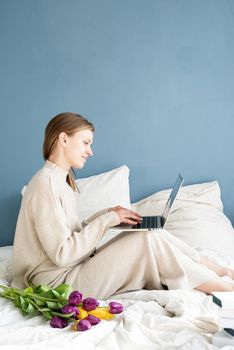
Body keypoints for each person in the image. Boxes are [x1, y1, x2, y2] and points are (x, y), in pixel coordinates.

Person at [11, 112, 234, 299]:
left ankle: (216, 270)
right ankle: (222, 287)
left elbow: (70, 233)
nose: (90, 151)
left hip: (71, 271)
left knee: (152, 233)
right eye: (86, 142)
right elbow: (63, 254)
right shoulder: (45, 185)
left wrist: (108, 214)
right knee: (146, 239)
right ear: (63, 139)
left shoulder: (60, 180)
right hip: (59, 285)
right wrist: (108, 220)